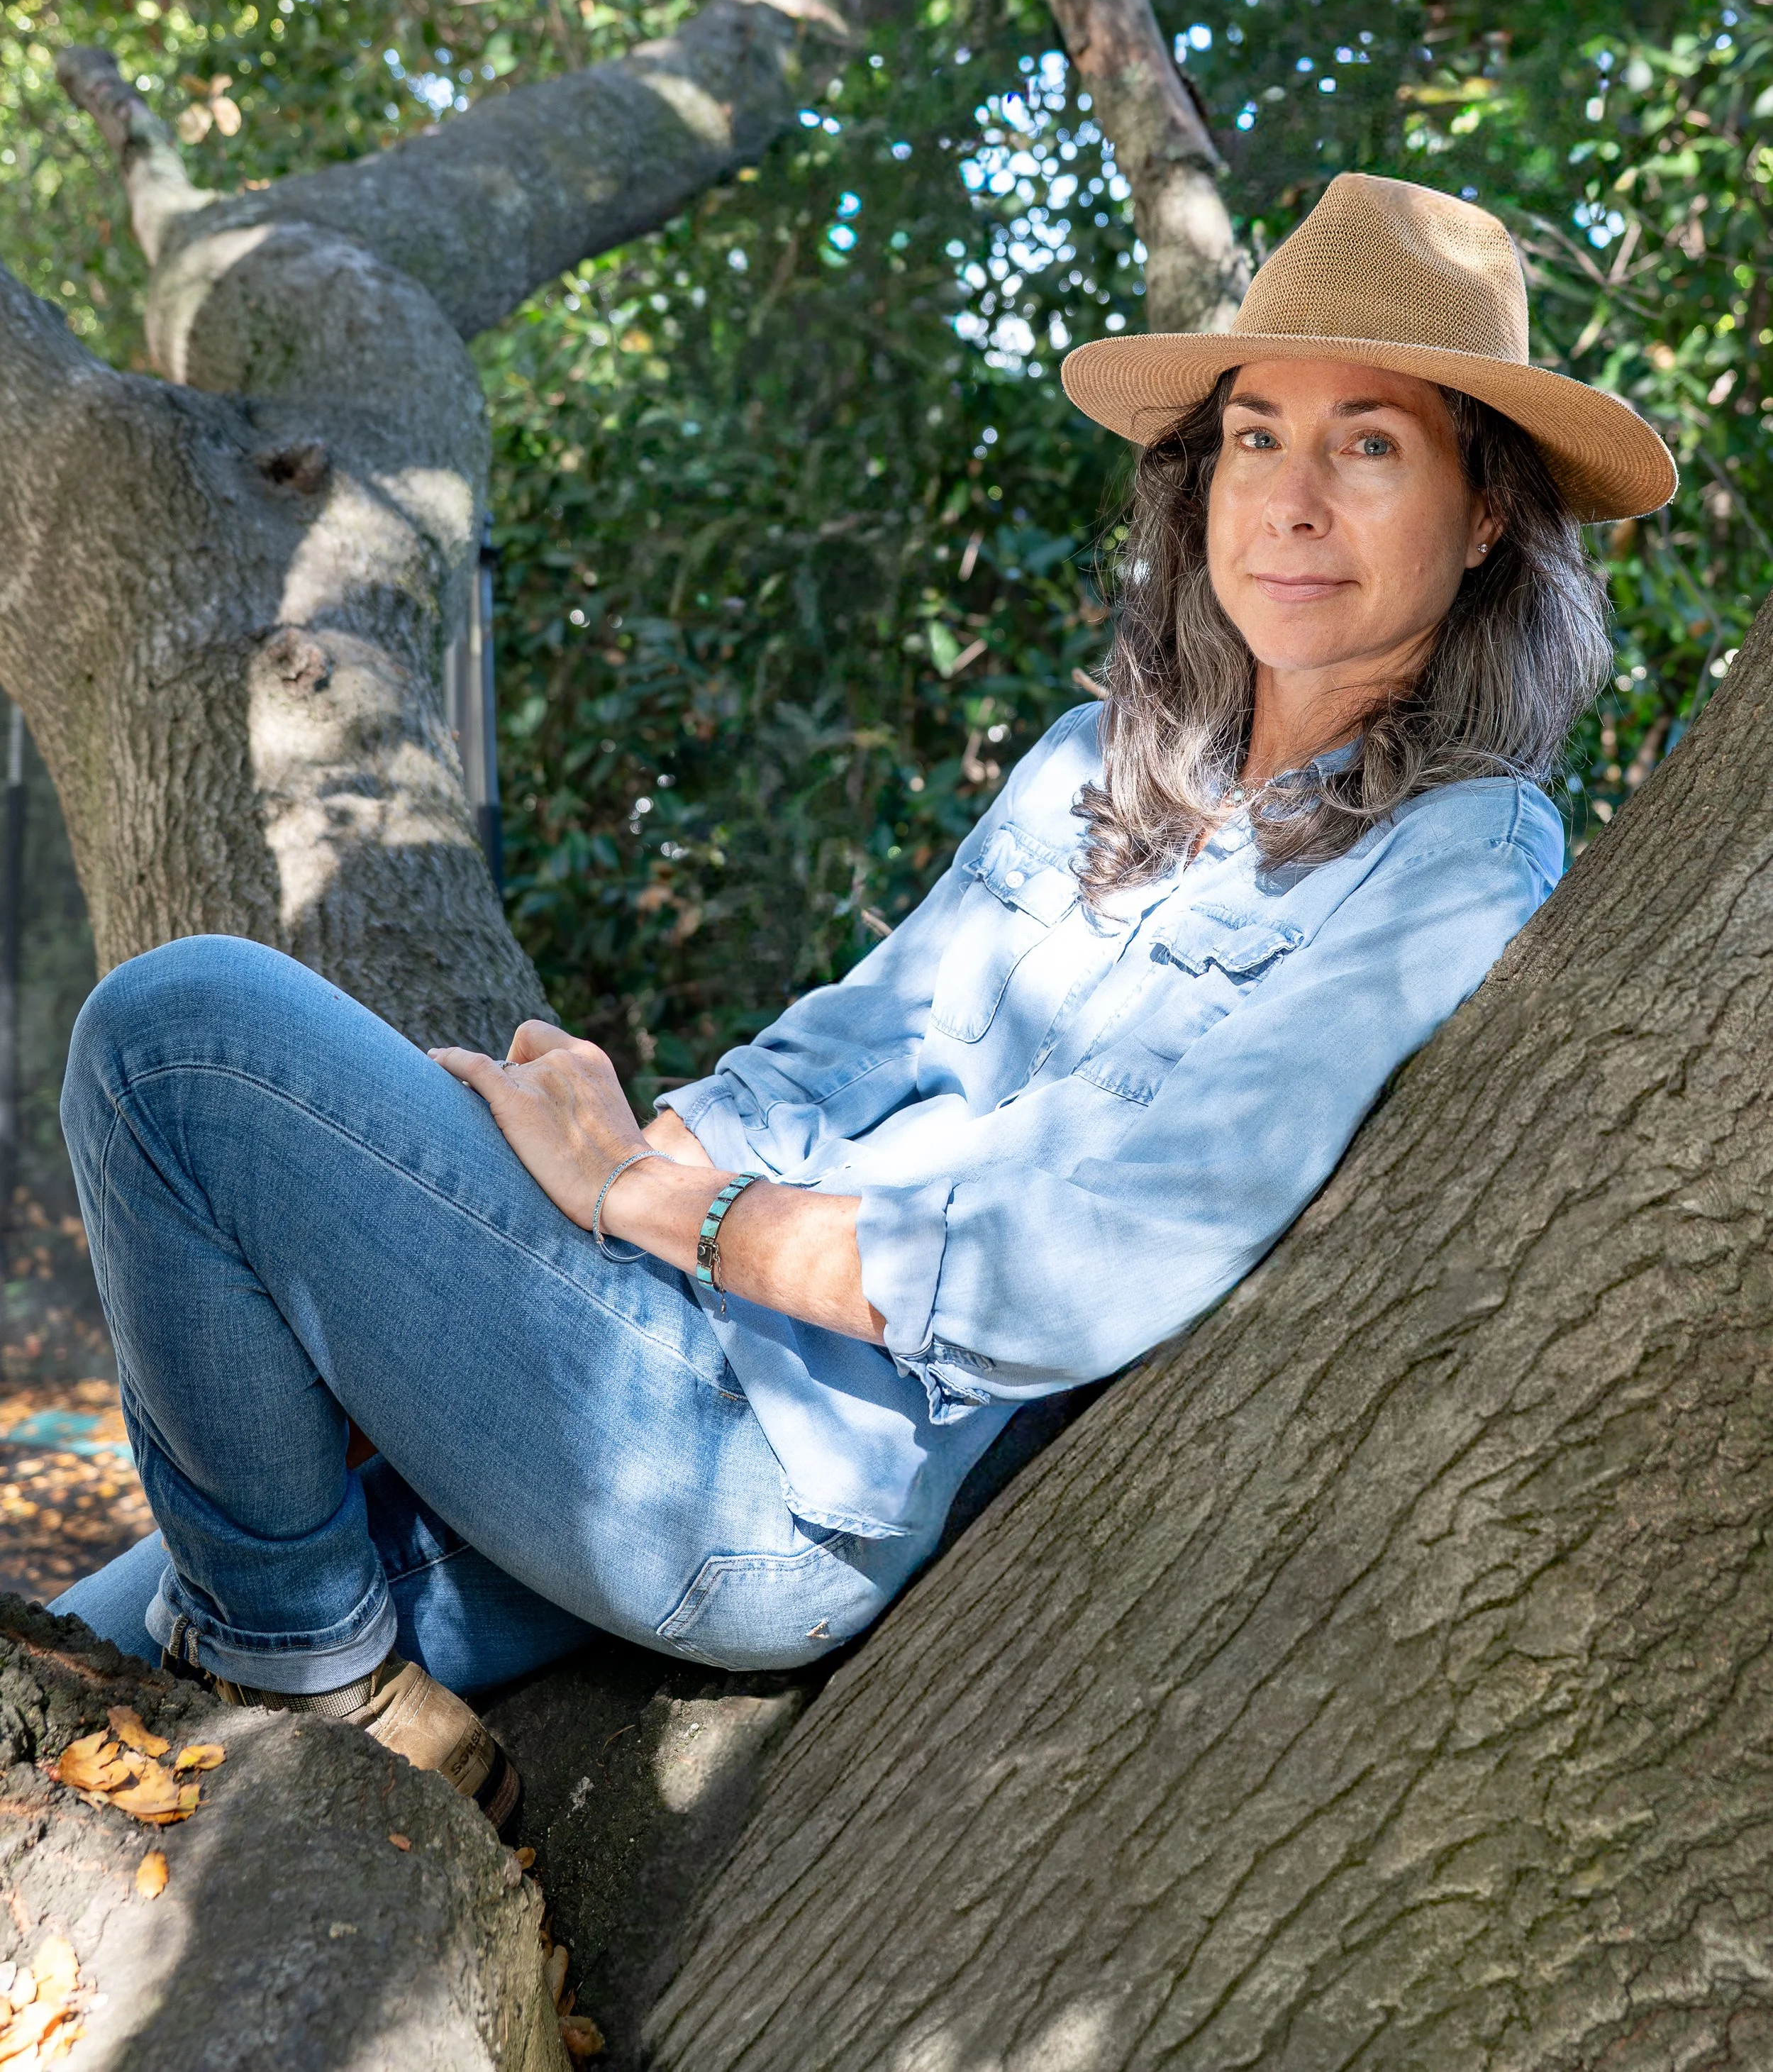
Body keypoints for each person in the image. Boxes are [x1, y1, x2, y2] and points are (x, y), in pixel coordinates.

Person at [50, 173, 1676, 1834]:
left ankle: (313, 1685)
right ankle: (287, 1643)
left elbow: (1089, 1258)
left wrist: (670, 1207)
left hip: (773, 1476)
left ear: (1485, 515)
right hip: (657, 1337)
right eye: (1255, 436)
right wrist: (620, 1156)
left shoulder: (1465, 848)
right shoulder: (1098, 762)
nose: (1289, 500)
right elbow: (868, 1028)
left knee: (179, 1040)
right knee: (82, 1640)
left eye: (1370, 445)